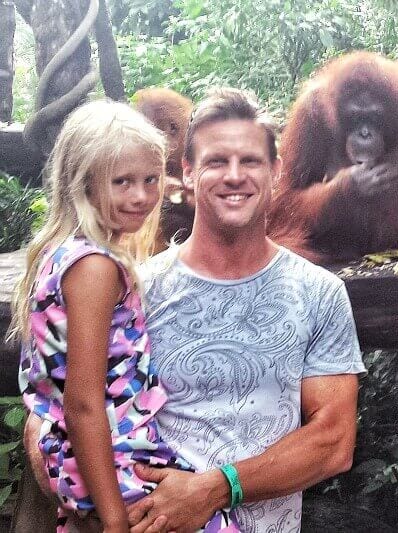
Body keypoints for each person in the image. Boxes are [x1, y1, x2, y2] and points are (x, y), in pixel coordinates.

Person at [121, 87, 366, 533]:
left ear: (275, 172)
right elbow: (66, 404)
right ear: (189, 172)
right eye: (216, 162)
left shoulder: (319, 294)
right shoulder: (136, 289)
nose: (235, 176)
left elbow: (333, 441)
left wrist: (214, 489)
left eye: (250, 161)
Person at [11, 100, 239, 532]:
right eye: (122, 182)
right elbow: (82, 403)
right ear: (84, 184)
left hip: (92, 457)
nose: (141, 196)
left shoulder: (65, 255)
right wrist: (116, 522)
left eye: (150, 179)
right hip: (111, 458)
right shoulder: (94, 268)